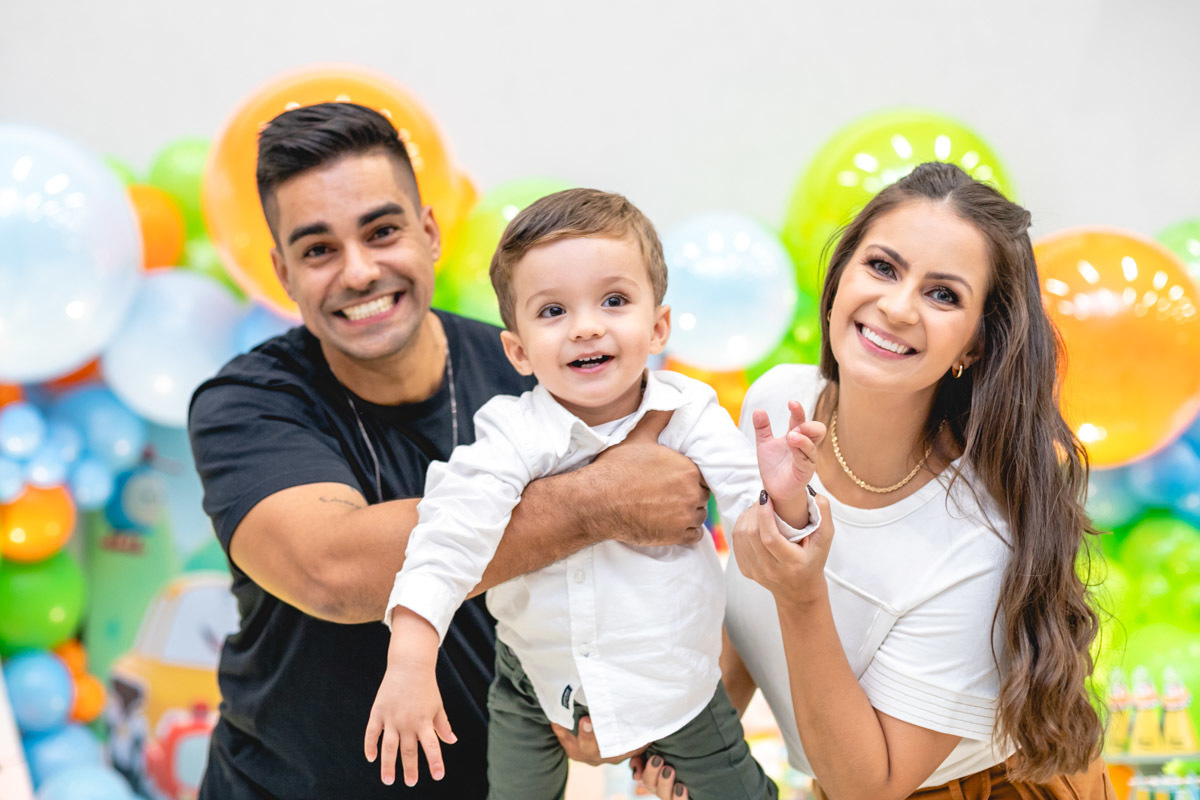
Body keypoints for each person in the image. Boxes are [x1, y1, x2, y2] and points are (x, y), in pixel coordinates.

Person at [187, 102, 716, 800]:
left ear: (429, 232)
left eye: (382, 231)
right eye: (318, 250)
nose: (358, 271)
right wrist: (600, 500)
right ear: (282, 272)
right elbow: (333, 571)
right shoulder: (247, 403)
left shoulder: (536, 371)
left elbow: (631, 574)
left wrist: (606, 705)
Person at [630, 162, 1116, 799]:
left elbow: (872, 785)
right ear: (839, 281)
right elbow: (749, 609)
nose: (896, 306)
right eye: (882, 267)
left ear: (973, 344)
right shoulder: (778, 404)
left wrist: (802, 593)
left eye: (943, 294)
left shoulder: (978, 538)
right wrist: (683, 743)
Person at [364, 188, 824, 800]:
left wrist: (786, 499)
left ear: (658, 324)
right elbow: (450, 535)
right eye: (553, 311)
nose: (586, 327)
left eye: (613, 300)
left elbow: (754, 520)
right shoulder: (509, 432)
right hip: (532, 676)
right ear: (519, 350)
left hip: (671, 680)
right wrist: (411, 659)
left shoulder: (689, 412)